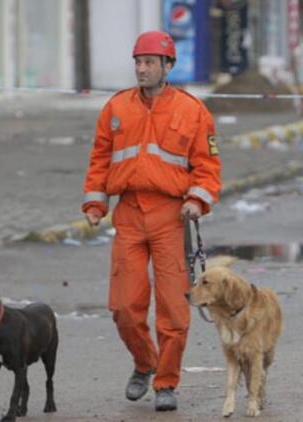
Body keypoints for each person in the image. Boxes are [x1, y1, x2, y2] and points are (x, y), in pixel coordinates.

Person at [82, 30, 221, 411]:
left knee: (173, 309)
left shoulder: (193, 111)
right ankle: (145, 363)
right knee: (124, 307)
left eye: (148, 63)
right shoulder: (116, 108)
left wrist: (197, 200)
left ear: (167, 66)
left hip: (171, 217)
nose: (141, 69)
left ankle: (166, 383)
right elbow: (99, 159)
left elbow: (207, 167)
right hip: (128, 214)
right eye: (138, 62)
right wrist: (95, 203)